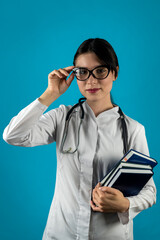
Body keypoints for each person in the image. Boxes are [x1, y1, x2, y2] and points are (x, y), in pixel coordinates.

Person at [3, 38, 156, 240]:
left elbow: (149, 191)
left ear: (115, 72)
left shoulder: (133, 129)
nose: (91, 81)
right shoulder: (62, 117)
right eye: (82, 72)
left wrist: (125, 204)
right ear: (75, 75)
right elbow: (13, 136)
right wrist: (50, 94)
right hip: (60, 235)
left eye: (100, 70)